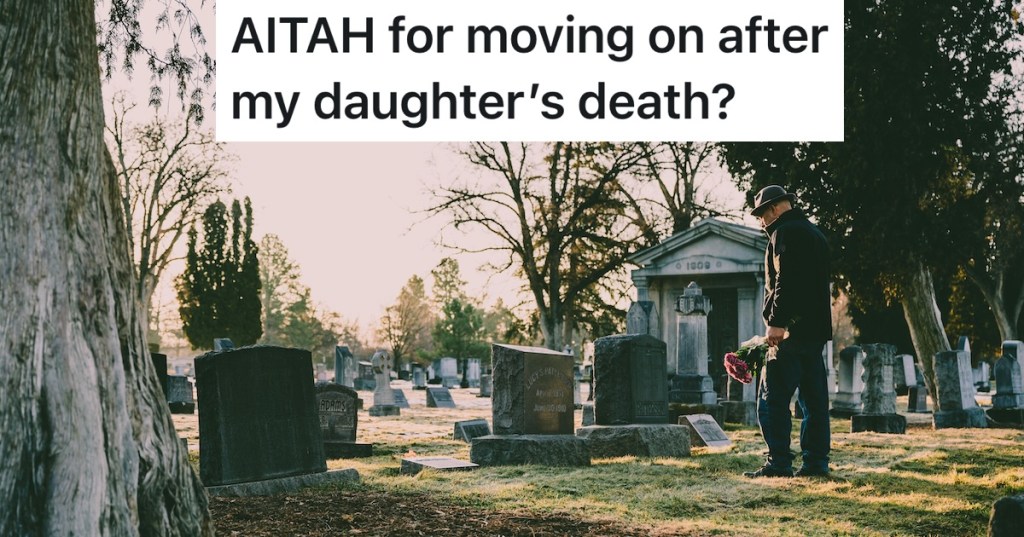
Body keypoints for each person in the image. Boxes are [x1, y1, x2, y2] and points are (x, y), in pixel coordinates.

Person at [743, 185, 833, 478]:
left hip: (789, 332)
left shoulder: (785, 233)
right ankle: (816, 463)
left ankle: (779, 463)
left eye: (761, 215)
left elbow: (786, 280)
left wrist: (776, 322)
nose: (761, 223)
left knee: (771, 399)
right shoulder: (815, 234)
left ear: (773, 209)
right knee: (814, 401)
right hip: (815, 332)